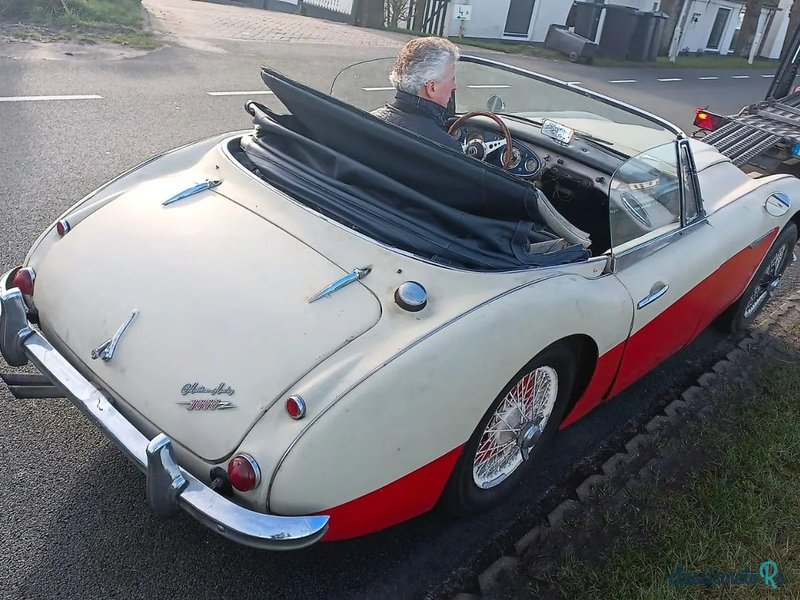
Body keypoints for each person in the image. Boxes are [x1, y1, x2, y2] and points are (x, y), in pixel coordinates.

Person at [372, 37, 463, 152]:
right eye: (452, 80)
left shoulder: (369, 122)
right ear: (432, 87)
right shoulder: (447, 149)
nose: (455, 87)